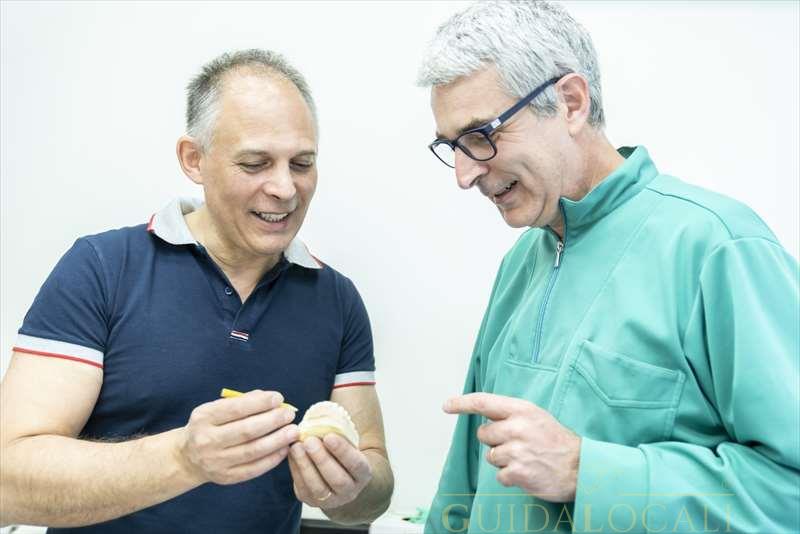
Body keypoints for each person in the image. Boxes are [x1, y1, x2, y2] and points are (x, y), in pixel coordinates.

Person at [416, 2, 799, 532]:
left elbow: (789, 490)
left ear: (570, 103)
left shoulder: (718, 247)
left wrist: (586, 470)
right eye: (451, 146)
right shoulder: (521, 263)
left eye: (481, 135)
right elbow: (463, 490)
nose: (464, 175)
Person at [0, 49, 393, 533]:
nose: (285, 188)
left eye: (302, 163)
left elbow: (373, 489)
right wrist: (183, 459)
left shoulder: (337, 300)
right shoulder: (102, 268)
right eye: (255, 163)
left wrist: (351, 489)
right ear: (194, 159)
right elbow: (7, 483)